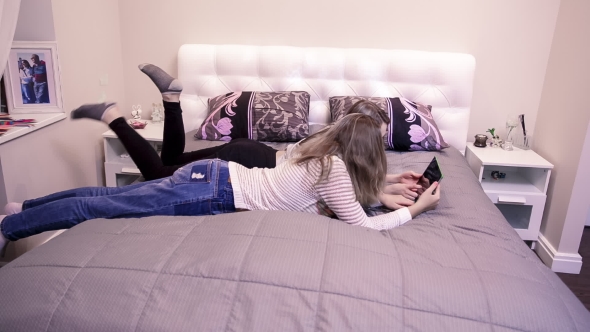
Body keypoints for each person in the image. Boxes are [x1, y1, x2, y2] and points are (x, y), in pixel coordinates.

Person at [0, 113, 441, 251]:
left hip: (213, 177)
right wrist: (412, 209)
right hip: (212, 190)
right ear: (366, 154)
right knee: (101, 208)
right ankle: (7, 228)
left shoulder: (318, 152)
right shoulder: (335, 171)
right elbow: (360, 225)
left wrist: (382, 191)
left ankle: (21, 208)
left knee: (108, 196)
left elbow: (340, 199)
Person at [68, 64, 422, 207]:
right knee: (160, 174)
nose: (379, 140)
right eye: (379, 133)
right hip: (249, 163)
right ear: (363, 131)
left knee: (170, 162)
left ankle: (172, 99)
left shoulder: (335, 140)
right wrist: (385, 196)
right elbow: (348, 190)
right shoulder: (344, 155)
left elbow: (355, 178)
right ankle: (114, 118)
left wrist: (390, 180)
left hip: (253, 152)